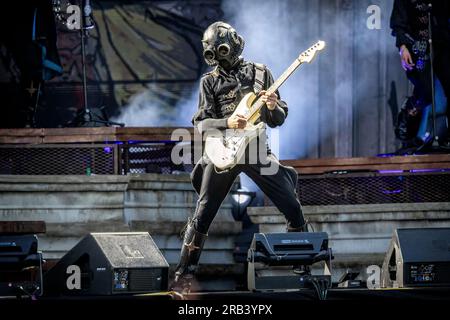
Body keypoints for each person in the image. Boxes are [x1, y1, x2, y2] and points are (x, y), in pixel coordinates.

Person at [171, 21, 307, 291]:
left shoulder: (261, 73)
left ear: (233, 44)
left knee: (291, 203)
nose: (219, 57)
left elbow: (277, 119)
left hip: (256, 149)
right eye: (214, 53)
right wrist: (228, 123)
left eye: (222, 49)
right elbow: (201, 124)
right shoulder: (209, 82)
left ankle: (302, 263)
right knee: (204, 211)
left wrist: (271, 105)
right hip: (223, 152)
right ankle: (184, 273)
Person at [390, 0, 450, 151]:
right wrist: (402, 48)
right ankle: (410, 110)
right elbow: (398, 22)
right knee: (426, 91)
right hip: (416, 47)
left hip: (441, 43)